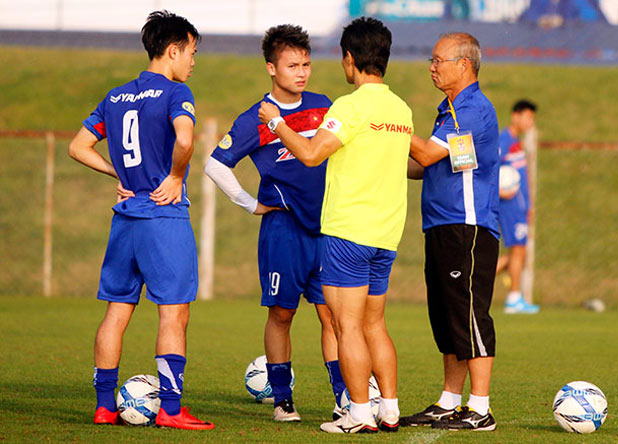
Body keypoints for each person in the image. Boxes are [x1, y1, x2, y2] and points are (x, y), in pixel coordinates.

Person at [258, 17, 413, 434]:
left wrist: (277, 123)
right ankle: (390, 409)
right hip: (387, 234)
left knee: (347, 327)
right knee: (374, 324)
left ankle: (360, 413)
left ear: (350, 59)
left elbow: (310, 154)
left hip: (348, 233)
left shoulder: (349, 106)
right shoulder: (401, 109)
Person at [68, 10, 214, 430]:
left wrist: (119, 173)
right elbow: (185, 138)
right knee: (173, 313)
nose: (192, 62)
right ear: (172, 50)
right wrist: (175, 176)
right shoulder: (175, 94)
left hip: (125, 219)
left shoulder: (114, 97)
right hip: (163, 217)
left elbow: (78, 147)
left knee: (117, 312)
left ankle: (102, 406)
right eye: (191, 52)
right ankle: (170, 409)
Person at [204, 24, 346, 423]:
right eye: (292, 65)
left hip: (327, 228)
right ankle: (283, 399)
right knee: (282, 314)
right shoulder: (255, 118)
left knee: (332, 315)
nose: (301, 72)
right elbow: (215, 165)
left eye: (306, 64)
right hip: (283, 230)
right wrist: (251, 204)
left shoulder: (323, 103)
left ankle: (344, 397)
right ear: (271, 68)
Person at [401, 32, 499, 431]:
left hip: (468, 227)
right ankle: (449, 401)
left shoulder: (474, 109)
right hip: (441, 226)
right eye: (432, 59)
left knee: (470, 314)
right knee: (446, 317)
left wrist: (390, 126)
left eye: (439, 60)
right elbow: (427, 165)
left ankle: (480, 408)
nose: (432, 66)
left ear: (464, 64)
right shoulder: (450, 110)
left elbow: (423, 153)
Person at [497, 99, 539, 314]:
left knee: (518, 252)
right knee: (518, 250)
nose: (531, 122)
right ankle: (514, 298)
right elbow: (489, 168)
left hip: (520, 207)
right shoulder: (504, 140)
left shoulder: (516, 142)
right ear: (516, 116)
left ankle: (475, 280)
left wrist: (528, 205)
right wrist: (498, 190)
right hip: (509, 206)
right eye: (528, 117)